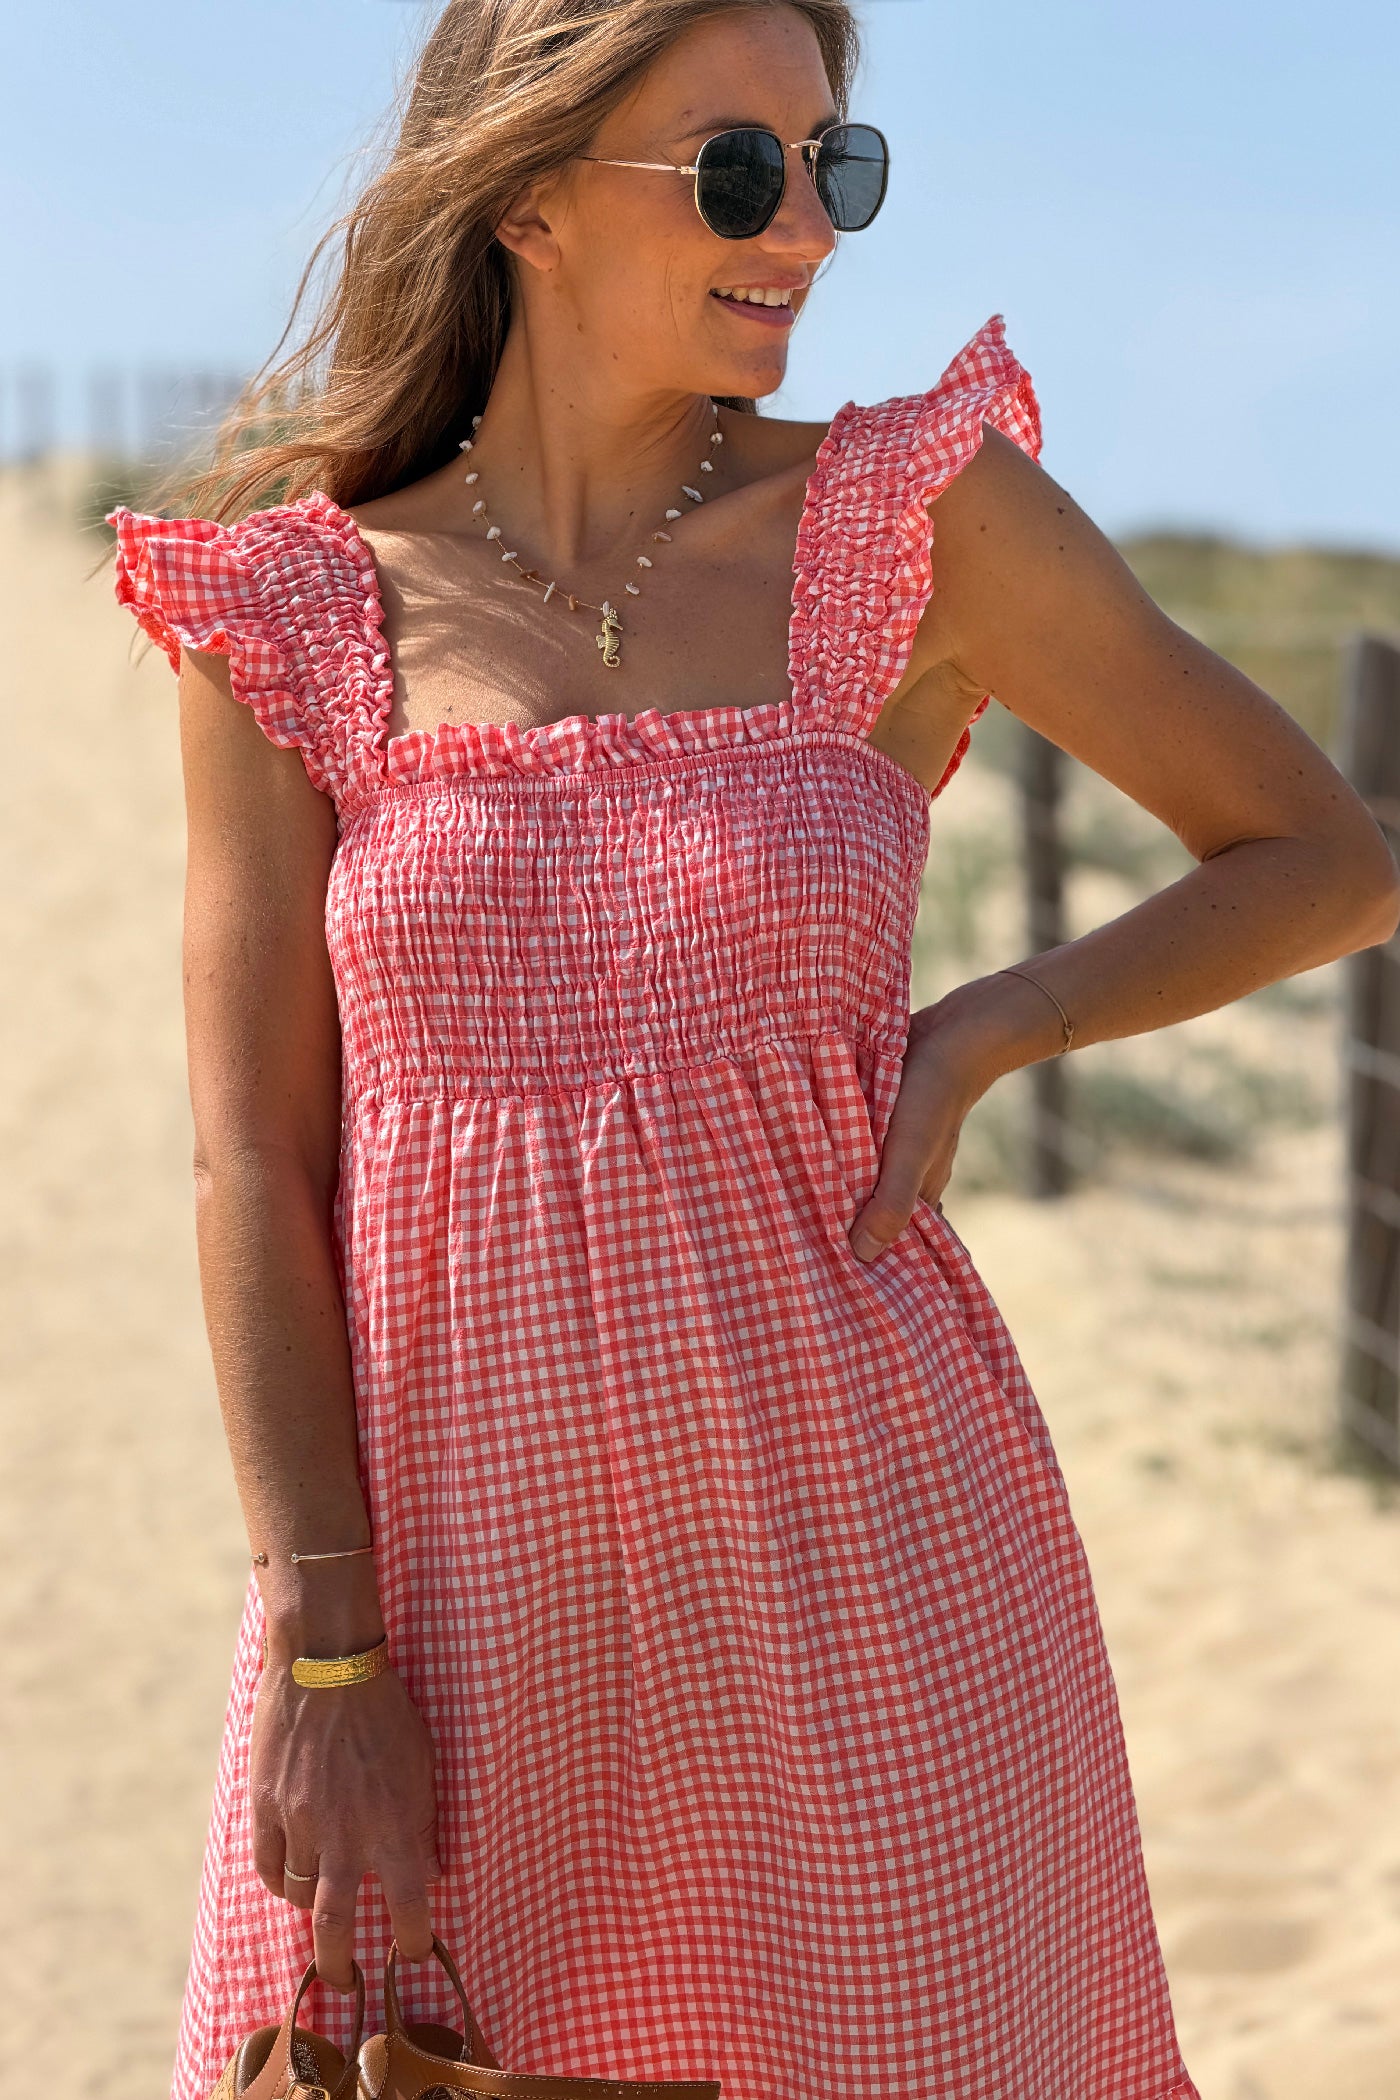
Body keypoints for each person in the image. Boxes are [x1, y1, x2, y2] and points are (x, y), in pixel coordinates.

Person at [107, 2, 1397, 2097]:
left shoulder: (915, 517)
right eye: (734, 169)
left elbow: (1322, 857)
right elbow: (250, 1162)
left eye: (835, 167)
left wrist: (997, 1023)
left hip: (867, 1582)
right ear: (524, 197)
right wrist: (328, 1646)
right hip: (454, 1615)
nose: (802, 225)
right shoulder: (297, 613)